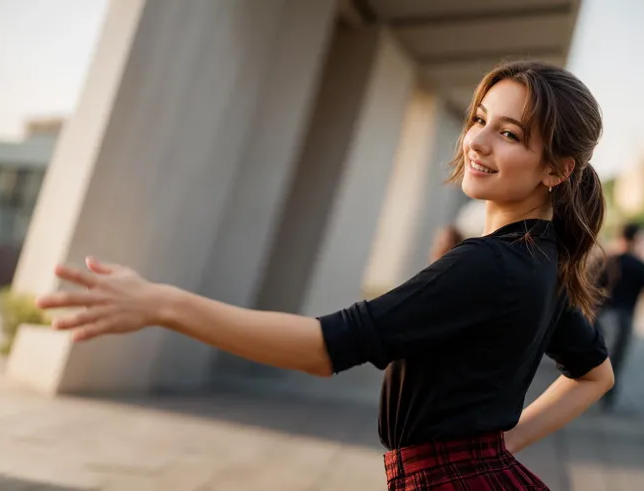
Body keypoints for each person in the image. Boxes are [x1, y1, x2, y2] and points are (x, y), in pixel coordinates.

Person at [35, 61, 614, 491]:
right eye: (480, 119)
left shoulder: (488, 265)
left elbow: (325, 347)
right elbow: (595, 376)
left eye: (509, 134)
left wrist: (165, 305)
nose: (477, 142)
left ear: (558, 170)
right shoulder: (542, 258)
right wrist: (496, 448)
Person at [597, 223, 644, 409]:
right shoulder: (640, 265)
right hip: (624, 317)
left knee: (603, 353)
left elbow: (594, 288)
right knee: (617, 356)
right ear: (636, 238)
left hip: (604, 315)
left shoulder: (609, 261)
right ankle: (607, 392)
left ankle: (600, 388)